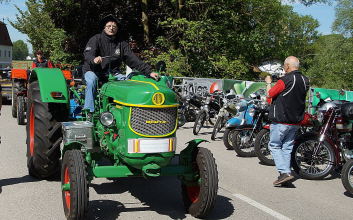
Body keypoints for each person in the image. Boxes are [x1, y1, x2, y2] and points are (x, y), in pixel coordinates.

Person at [82, 15, 158, 114]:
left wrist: (149, 72)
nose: (111, 28)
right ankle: (89, 111)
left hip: (112, 74)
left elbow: (134, 60)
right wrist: (94, 59)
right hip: (93, 71)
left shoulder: (122, 44)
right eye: (108, 26)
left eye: (114, 26)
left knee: (129, 83)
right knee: (92, 80)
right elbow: (88, 54)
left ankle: (134, 112)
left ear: (117, 29)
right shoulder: (96, 39)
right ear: (104, 28)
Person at [265, 56, 309, 186]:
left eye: (284, 65)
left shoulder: (285, 79)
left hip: (281, 120)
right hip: (296, 121)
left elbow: (269, 94)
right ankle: (286, 173)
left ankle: (284, 172)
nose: (284, 68)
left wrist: (268, 82)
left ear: (288, 66)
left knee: (274, 145)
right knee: (287, 148)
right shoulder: (305, 80)